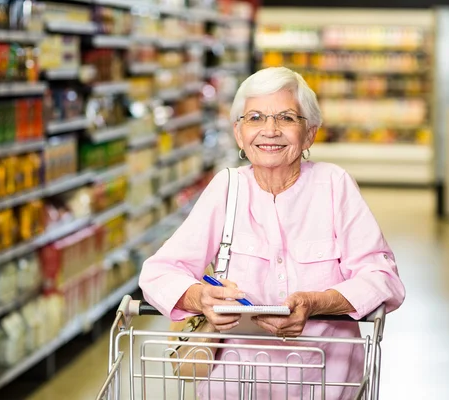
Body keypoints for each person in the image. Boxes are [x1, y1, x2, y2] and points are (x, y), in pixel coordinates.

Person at [139, 67, 405, 399]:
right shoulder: (227, 188)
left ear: (309, 134)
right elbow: (159, 272)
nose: (270, 130)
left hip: (324, 384)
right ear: (239, 133)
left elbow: (382, 277)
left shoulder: (334, 185)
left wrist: (316, 302)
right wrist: (200, 297)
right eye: (255, 117)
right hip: (234, 387)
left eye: (286, 118)